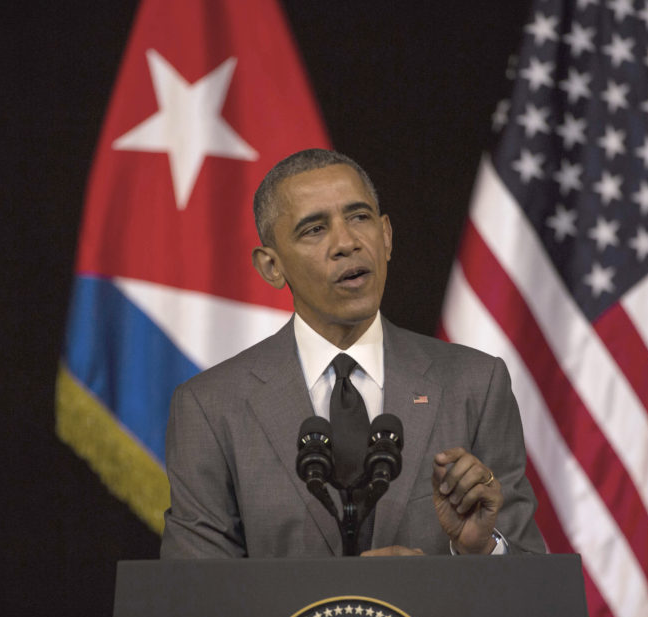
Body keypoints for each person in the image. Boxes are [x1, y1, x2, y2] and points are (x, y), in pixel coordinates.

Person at [160, 149, 545, 558]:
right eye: (314, 229)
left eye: (359, 217)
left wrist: (480, 551)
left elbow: (531, 582)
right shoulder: (210, 407)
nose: (346, 243)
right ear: (272, 266)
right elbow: (196, 596)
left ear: (387, 236)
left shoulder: (475, 385)